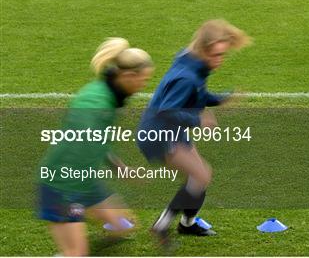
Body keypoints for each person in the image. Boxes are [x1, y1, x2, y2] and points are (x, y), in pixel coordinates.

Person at [137, 19, 250, 245]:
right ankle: (162, 225)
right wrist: (197, 119)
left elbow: (198, 93)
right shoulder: (185, 77)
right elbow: (166, 111)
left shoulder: (193, 63)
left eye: (223, 55)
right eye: (216, 55)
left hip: (171, 130)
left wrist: (219, 98)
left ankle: (186, 224)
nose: (220, 61)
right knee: (201, 175)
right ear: (203, 49)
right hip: (158, 133)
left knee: (198, 178)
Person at [38, 38, 154, 256]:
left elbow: (97, 141)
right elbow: (85, 132)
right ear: (128, 76)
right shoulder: (96, 102)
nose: (143, 86)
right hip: (62, 185)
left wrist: (119, 166)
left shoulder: (108, 95)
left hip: (85, 180)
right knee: (76, 252)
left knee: (123, 225)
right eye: (143, 80)